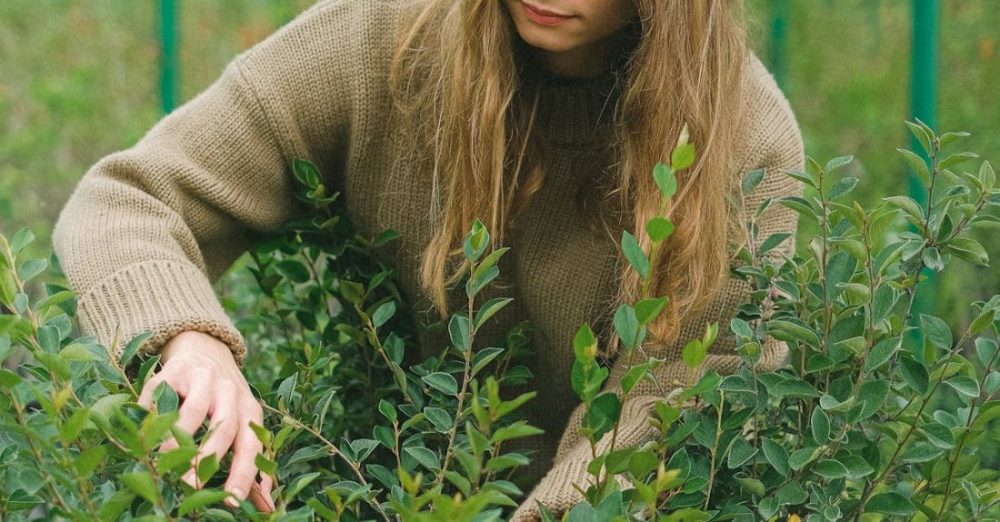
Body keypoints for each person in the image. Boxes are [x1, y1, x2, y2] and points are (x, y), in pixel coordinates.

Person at [52, 0, 804, 519]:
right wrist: (189, 342)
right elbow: (130, 197)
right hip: (379, 479)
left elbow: (679, 397)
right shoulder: (383, 36)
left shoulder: (743, 139)